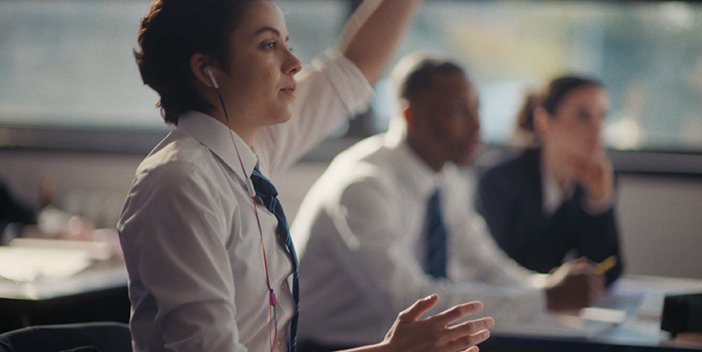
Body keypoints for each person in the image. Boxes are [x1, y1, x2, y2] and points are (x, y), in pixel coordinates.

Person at [117, 1, 493, 352]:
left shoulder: (245, 156)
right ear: (207, 70)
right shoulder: (181, 183)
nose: (294, 63)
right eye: (268, 45)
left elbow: (351, 69)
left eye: (287, 44)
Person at [292, 53, 604, 350]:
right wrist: (545, 299)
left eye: (477, 109)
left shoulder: (446, 177)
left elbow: (488, 266)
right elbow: (411, 302)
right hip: (334, 347)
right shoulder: (363, 186)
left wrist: (547, 286)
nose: (477, 125)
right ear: (409, 114)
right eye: (458, 110)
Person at [475, 75, 623, 286]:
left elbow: (608, 271)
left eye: (602, 116)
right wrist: (552, 288)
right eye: (582, 116)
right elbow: (494, 269)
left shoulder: (600, 179)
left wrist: (598, 203)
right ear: (543, 122)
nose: (598, 129)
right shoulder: (500, 178)